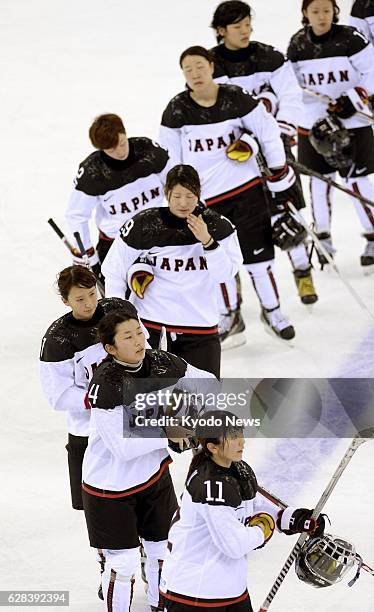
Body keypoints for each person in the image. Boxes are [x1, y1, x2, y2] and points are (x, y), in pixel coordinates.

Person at [159, 46, 304, 345]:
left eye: (199, 66)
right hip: (206, 202)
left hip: (248, 192)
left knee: (259, 258)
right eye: (187, 69)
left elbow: (266, 132)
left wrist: (278, 172)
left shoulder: (236, 97)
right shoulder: (176, 111)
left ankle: (272, 310)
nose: (195, 74)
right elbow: (170, 162)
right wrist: (178, 199)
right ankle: (230, 315)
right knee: (216, 258)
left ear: (211, 66)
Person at [82, 310, 217, 612]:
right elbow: (122, 447)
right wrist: (168, 433)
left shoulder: (160, 362)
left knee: (160, 552)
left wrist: (191, 413)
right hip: (109, 487)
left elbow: (207, 382)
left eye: (139, 332)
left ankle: (161, 607)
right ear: (110, 348)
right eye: (127, 337)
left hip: (154, 477)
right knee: (124, 563)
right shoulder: (106, 385)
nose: (139, 340)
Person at [39, 265, 140, 598]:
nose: (88, 304)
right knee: (100, 508)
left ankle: (144, 552)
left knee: (142, 494)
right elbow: (57, 396)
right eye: (79, 299)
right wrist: (100, 399)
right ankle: (109, 562)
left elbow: (144, 351)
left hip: (132, 422)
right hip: (88, 436)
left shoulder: (119, 312)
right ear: (66, 300)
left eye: (92, 294)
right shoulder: (58, 339)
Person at [160, 411, 325, 612]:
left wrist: (291, 519)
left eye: (240, 434)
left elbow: (255, 506)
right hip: (193, 593)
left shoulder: (235, 470)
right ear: (212, 447)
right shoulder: (211, 486)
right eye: (232, 437)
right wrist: (263, 529)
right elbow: (234, 544)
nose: (242, 442)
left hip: (229, 590)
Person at [209, 0, 318, 306]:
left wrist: (278, 134)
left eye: (248, 24)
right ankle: (235, 291)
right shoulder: (210, 65)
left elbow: (291, 97)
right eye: (237, 26)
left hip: (274, 148)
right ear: (221, 30)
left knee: (288, 210)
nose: (245, 31)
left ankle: (303, 270)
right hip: (235, 157)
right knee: (244, 221)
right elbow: (213, 112)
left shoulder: (269, 56)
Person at [102, 164, 243, 377]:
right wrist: (119, 318)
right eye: (176, 196)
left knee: (204, 402)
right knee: (152, 404)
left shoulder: (219, 226)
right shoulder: (144, 225)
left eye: (189, 195)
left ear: (199, 194)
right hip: (151, 330)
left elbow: (225, 274)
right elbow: (113, 270)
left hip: (201, 330)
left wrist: (208, 241)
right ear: (166, 193)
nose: (183, 203)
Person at [287, 0, 374, 271]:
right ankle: (323, 237)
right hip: (312, 125)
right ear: (305, 14)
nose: (321, 16)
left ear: (334, 11)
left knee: (356, 180)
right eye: (315, 11)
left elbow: (372, 72)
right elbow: (291, 85)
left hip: (353, 123)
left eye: (326, 10)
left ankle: (373, 236)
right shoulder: (298, 44)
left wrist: (353, 97)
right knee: (319, 182)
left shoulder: (351, 38)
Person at [65, 113, 173, 285]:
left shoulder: (149, 152)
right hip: (117, 244)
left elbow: (177, 182)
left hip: (159, 235)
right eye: (111, 149)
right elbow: (76, 215)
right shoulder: (92, 172)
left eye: (122, 143)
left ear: (125, 133)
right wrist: (89, 258)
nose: (120, 152)